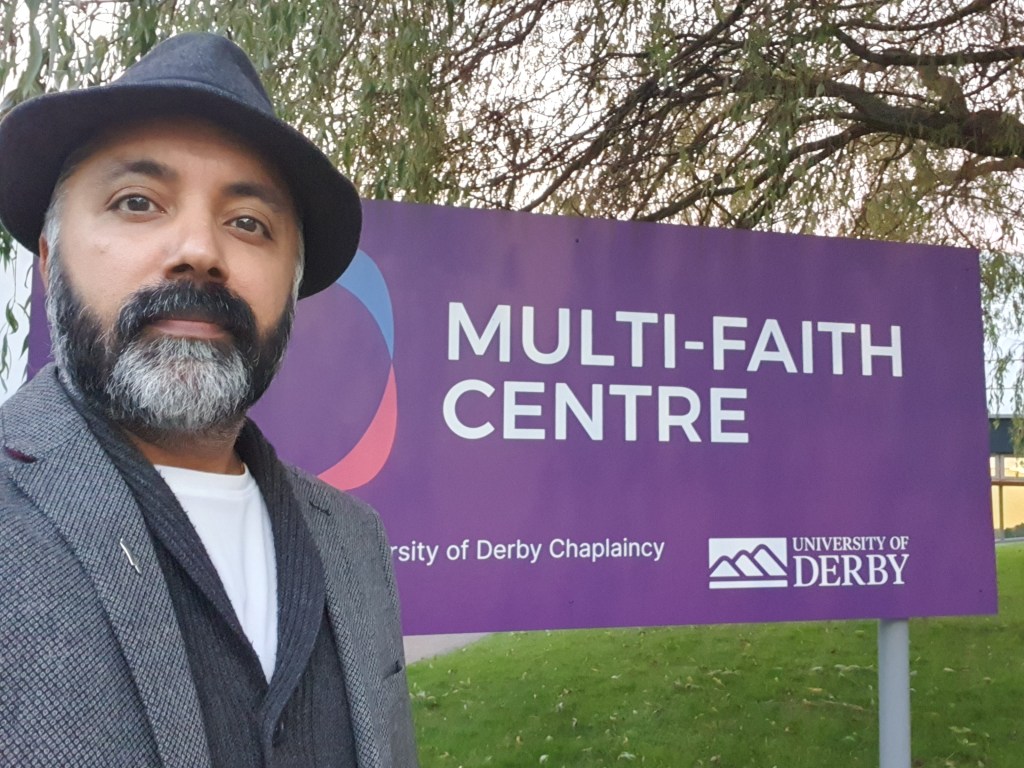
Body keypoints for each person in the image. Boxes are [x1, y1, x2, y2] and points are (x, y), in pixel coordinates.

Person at [0, 33, 418, 767]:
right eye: (137, 202)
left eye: (248, 222)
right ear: (48, 260)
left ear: (291, 285)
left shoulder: (355, 540)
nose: (199, 249)